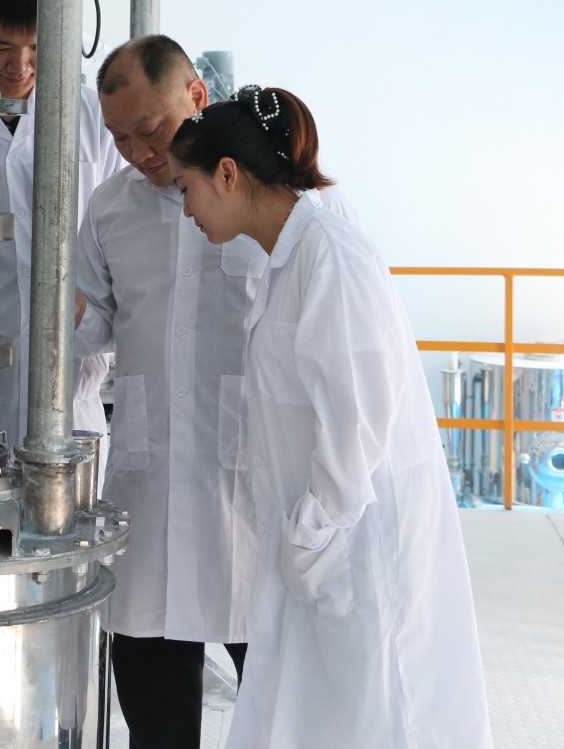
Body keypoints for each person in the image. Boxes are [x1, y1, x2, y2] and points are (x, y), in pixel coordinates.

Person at [167, 86, 492, 748]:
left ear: (227, 174)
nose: (186, 209)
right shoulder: (288, 258)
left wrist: (311, 541)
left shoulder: (333, 256)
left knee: (387, 716)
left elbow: (359, 426)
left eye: (186, 188)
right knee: (323, 715)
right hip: (322, 548)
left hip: (356, 546)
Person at [75, 34, 355, 748]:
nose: (138, 152)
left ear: (196, 95)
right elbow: (90, 333)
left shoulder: (280, 205)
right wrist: (69, 321)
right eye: (119, 138)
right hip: (151, 494)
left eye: (150, 129)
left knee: (284, 714)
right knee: (156, 719)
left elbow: (339, 360)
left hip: (255, 495)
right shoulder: (110, 208)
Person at [0, 0, 125, 451]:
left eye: (37, 46)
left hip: (74, 404)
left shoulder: (96, 122)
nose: (20, 65)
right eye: (0, 45)